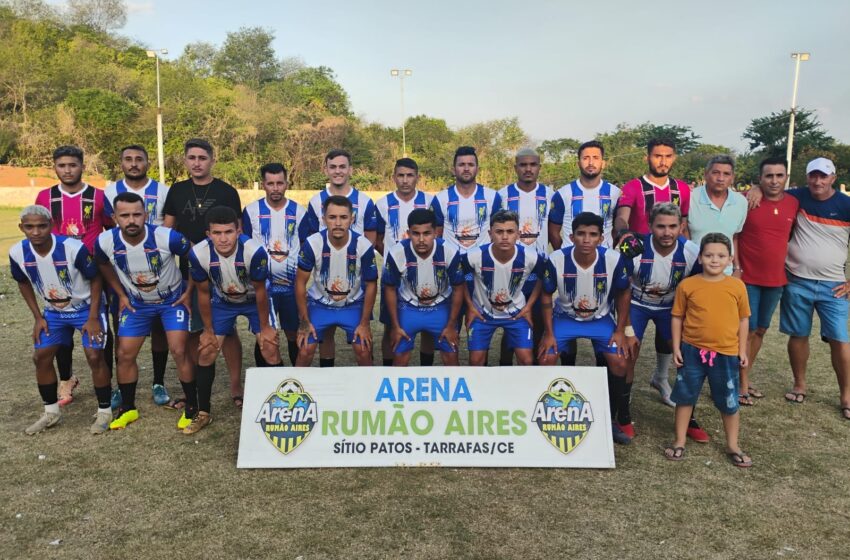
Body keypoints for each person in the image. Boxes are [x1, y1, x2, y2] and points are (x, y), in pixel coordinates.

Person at [750, 157, 850, 418]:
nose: (818, 181)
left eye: (823, 176)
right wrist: (755, 188)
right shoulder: (797, 197)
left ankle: (846, 395)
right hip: (796, 280)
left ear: (833, 177)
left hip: (834, 285)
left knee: (840, 339)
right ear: (806, 177)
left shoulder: (846, 205)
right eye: (813, 176)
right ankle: (800, 384)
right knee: (799, 334)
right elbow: (771, 187)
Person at [95, 192, 195, 430]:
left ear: (146, 215)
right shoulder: (105, 241)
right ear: (114, 217)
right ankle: (128, 408)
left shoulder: (165, 236)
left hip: (172, 301)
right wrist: (120, 294)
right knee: (125, 353)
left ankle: (192, 407)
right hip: (137, 304)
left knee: (179, 349)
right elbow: (102, 263)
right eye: (125, 215)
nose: (131, 220)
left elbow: (198, 256)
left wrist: (188, 291)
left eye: (137, 214)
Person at [10, 206, 112, 434]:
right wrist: (38, 317)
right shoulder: (17, 252)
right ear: (22, 228)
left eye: (41, 226)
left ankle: (105, 411)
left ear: (51, 226)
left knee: (95, 356)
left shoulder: (72, 248)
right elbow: (22, 282)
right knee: (41, 357)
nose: (36, 232)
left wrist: (95, 315)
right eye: (29, 227)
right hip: (54, 313)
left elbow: (96, 278)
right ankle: (51, 413)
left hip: (86, 309)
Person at [537, 212, 637, 444]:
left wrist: (620, 331)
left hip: (600, 320)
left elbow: (624, 292)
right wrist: (549, 333)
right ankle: (547, 413)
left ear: (601, 239)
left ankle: (609, 418)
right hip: (565, 318)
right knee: (545, 358)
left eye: (592, 235)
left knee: (620, 360)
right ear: (571, 236)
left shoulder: (613, 258)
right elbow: (545, 295)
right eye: (581, 234)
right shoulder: (556, 259)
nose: (586, 239)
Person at [163, 138, 243, 409]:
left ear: (212, 160)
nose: (197, 163)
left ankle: (235, 387)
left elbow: (237, 230)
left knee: (228, 330)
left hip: (223, 271)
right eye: (192, 158)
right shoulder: (177, 191)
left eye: (202, 158)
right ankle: (195, 389)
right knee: (197, 329)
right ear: (185, 160)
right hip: (189, 271)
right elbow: (168, 232)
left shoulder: (226, 191)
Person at [187, 207, 280, 433]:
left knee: (269, 347)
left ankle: (280, 409)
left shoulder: (254, 251)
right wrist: (208, 330)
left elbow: (260, 292)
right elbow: (203, 293)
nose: (223, 238)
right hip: (223, 301)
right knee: (207, 350)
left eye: (228, 232)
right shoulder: (198, 254)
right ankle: (203, 413)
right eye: (217, 233)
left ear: (238, 230)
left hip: (253, 300)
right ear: (208, 234)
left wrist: (265, 328)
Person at [614, 138, 692, 402]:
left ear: (674, 158)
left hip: (670, 265)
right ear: (647, 157)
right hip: (641, 262)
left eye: (668, 156)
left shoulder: (682, 188)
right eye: (657, 156)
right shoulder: (634, 186)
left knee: (668, 335)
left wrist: (687, 249)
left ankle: (660, 377)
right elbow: (622, 216)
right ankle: (623, 398)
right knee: (629, 343)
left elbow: (685, 224)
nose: (662, 161)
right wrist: (624, 233)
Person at [624, 203, 709, 442]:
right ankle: (623, 408)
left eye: (673, 226)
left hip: (671, 307)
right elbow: (620, 287)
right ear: (650, 226)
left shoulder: (692, 251)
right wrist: (626, 326)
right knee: (628, 350)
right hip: (636, 303)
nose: (667, 232)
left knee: (685, 355)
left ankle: (686, 411)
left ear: (681, 227)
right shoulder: (634, 247)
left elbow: (700, 284)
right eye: (660, 226)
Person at [35, 145, 112, 406]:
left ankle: (109, 382)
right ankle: (67, 378)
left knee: (101, 328)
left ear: (82, 166)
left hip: (93, 273)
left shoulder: (99, 197)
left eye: (73, 165)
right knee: (62, 328)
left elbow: (112, 229)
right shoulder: (45, 198)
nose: (68, 170)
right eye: (62, 165)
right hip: (59, 274)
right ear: (55, 167)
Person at [666, 233, 752, 467]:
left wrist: (741, 350)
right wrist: (676, 347)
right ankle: (679, 440)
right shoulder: (688, 285)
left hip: (726, 353)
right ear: (700, 258)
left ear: (730, 259)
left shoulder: (737, 286)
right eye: (709, 255)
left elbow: (744, 319)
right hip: (692, 351)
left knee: (729, 400)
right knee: (685, 397)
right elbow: (677, 317)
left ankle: (733, 444)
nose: (715, 260)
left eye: (721, 256)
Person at [104, 144, 172, 407]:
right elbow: (106, 231)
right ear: (121, 163)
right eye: (128, 159)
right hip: (123, 273)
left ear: (148, 162)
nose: (134, 164)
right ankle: (120, 387)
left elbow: (169, 228)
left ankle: (158, 382)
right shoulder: (110, 192)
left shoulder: (163, 191)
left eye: (139, 159)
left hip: (157, 274)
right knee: (121, 329)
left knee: (158, 329)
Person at [303, 149, 378, 368]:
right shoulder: (316, 200)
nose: (338, 171)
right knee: (325, 332)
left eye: (342, 166)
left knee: (361, 335)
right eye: (333, 166)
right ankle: (328, 373)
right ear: (325, 169)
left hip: (355, 274)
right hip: (325, 272)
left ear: (350, 170)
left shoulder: (365, 201)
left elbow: (371, 239)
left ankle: (367, 378)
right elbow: (312, 238)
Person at [734, 157, 798, 405]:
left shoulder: (794, 203)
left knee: (760, 329)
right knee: (746, 331)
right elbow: (735, 235)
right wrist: (737, 266)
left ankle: (745, 379)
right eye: (768, 176)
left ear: (786, 178)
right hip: (748, 277)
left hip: (776, 280)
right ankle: (740, 385)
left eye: (779, 175)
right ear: (759, 178)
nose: (774, 180)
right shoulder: (746, 200)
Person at [242, 163, 310, 371]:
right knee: (265, 334)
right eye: (270, 183)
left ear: (287, 184)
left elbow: (307, 248)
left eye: (279, 183)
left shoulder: (300, 212)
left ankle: (298, 378)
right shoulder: (251, 211)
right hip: (264, 287)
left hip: (292, 287)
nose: (275, 188)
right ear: (263, 185)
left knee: (293, 333)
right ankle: (266, 381)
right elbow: (244, 245)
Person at [382, 209, 464, 366]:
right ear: (408, 233)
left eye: (427, 233)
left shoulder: (449, 251)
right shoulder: (397, 253)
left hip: (440, 306)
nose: (421, 239)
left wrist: (452, 325)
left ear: (435, 233)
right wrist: (395, 326)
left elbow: (458, 288)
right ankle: (397, 388)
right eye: (415, 233)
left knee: (451, 354)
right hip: (409, 307)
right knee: (400, 355)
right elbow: (390, 288)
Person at [374, 158, 435, 366]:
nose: (405, 180)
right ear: (394, 177)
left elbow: (437, 235)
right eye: (401, 175)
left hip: (427, 272)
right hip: (395, 275)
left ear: (417, 177)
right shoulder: (383, 203)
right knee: (391, 324)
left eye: (410, 175)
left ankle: (425, 368)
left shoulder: (429, 202)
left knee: (427, 325)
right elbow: (378, 239)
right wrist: (395, 258)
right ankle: (388, 370)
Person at [462, 210, 541, 367]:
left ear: (518, 234)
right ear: (490, 233)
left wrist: (529, 307)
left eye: (510, 232)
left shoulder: (532, 257)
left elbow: (542, 280)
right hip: (483, 314)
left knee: (527, 360)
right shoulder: (473, 256)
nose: (505, 237)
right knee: (476, 361)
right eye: (499, 232)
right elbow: (460, 281)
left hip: (517, 314)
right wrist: (470, 307)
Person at [497, 148, 553, 365]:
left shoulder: (550, 195)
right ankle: (505, 365)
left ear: (539, 167)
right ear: (515, 168)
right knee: (509, 319)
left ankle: (536, 369)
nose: (528, 169)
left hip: (538, 267)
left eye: (533, 164)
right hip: (509, 268)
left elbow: (555, 230)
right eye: (523, 165)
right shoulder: (502, 195)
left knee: (538, 318)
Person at [549, 140, 620, 249]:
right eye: (585, 158)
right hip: (570, 261)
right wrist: (565, 255)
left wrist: (608, 249)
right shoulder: (563, 194)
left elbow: (617, 230)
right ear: (578, 163)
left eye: (596, 158)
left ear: (603, 163)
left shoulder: (616, 193)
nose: (591, 163)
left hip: (604, 261)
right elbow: (553, 231)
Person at [430, 146, 502, 252]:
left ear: (477, 169)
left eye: (471, 165)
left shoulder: (492, 197)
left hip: (482, 263)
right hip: (452, 263)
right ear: (453, 169)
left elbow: (497, 231)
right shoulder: (440, 199)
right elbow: (437, 235)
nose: (466, 169)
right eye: (461, 165)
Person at [686, 155, 747, 275]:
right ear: (706, 174)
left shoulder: (741, 202)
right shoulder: (690, 198)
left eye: (726, 174)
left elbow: (734, 236)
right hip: (693, 271)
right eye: (715, 173)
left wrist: (737, 268)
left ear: (732, 178)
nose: (720, 178)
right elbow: (684, 233)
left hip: (726, 273)